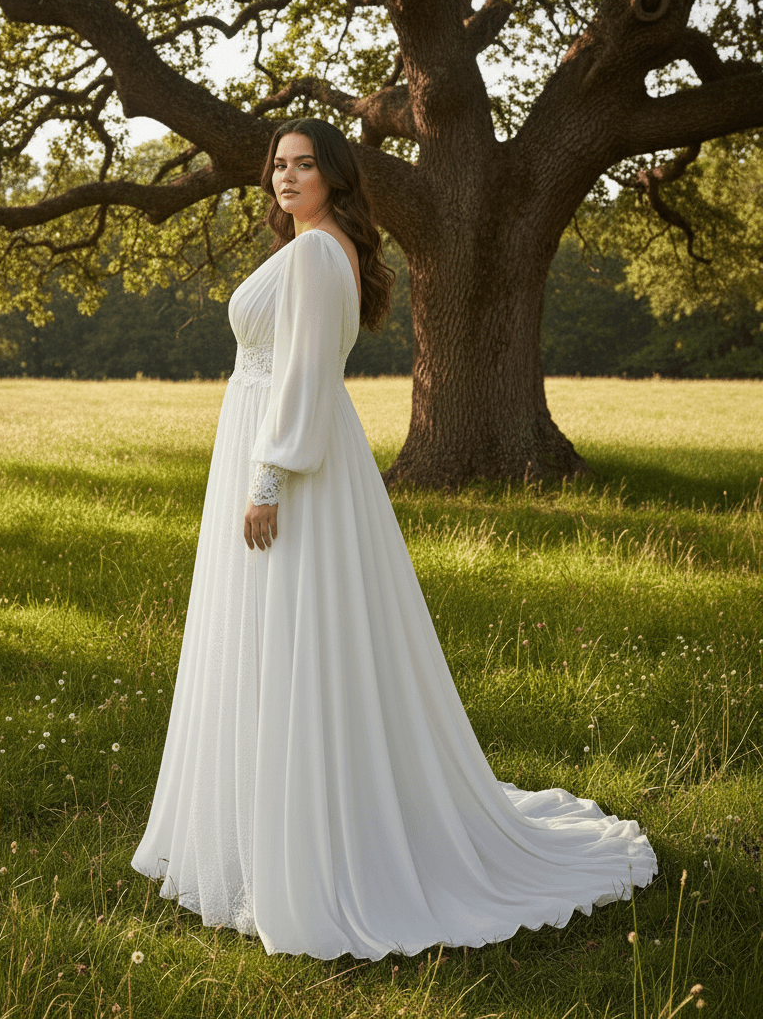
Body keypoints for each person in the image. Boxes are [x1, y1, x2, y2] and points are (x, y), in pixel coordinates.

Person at [131, 118, 656, 960]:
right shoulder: (323, 248)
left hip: (288, 461)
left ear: (336, 178)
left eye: (305, 165)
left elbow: (303, 373)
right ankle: (278, 825)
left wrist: (267, 481)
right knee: (288, 640)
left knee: (289, 635)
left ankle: (308, 850)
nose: (285, 177)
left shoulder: (313, 253)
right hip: (289, 448)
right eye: (278, 165)